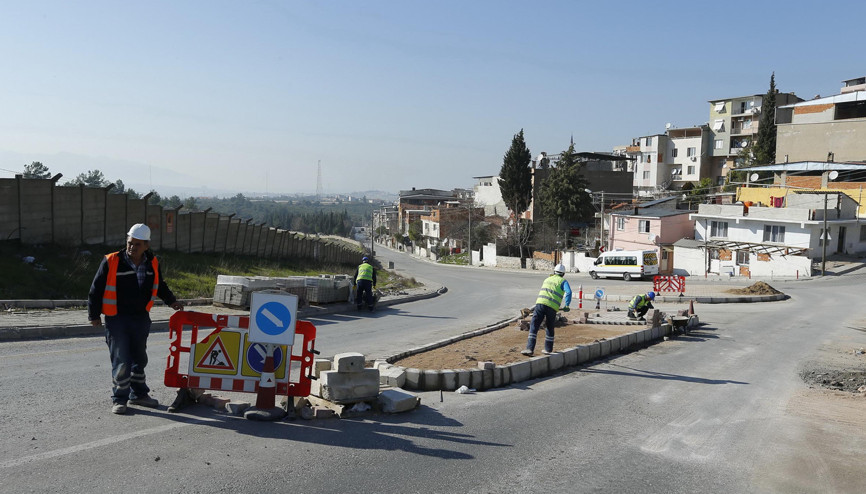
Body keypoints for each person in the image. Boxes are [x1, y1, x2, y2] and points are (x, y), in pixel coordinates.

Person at [88, 223, 184, 415]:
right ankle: (119, 399)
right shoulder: (112, 261)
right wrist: (94, 314)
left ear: (146, 246)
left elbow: (160, 285)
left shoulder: (152, 263)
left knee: (139, 358)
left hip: (140, 318)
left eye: (137, 244)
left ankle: (139, 394)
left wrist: (171, 301)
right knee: (121, 360)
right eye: (130, 243)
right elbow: (96, 289)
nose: (132, 247)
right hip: (117, 318)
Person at [521, 263, 572, 356]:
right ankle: (548, 349)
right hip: (552, 308)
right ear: (563, 274)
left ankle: (529, 349)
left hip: (540, 304)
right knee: (549, 326)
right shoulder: (563, 281)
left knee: (534, 325)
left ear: (554, 272)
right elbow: (568, 292)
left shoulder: (547, 279)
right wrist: (567, 305)